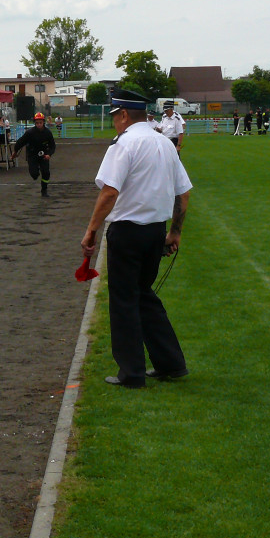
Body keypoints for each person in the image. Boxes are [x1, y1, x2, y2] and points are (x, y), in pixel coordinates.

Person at [80, 88, 193, 389]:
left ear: (124, 115)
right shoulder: (165, 144)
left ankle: (130, 373)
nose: (114, 122)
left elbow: (109, 192)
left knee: (124, 301)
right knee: (144, 295)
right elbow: (184, 193)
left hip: (128, 232)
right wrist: (175, 231)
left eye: (115, 116)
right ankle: (171, 363)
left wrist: (91, 230)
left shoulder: (124, 144)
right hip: (155, 231)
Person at [11, 112, 56, 196]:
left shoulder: (48, 133)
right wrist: (15, 151)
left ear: (43, 122)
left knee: (46, 173)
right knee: (34, 175)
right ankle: (36, 171)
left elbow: (52, 146)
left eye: (40, 123)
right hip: (32, 155)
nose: (39, 124)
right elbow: (20, 142)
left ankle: (44, 190)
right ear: (35, 123)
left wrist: (49, 154)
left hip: (44, 156)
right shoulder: (30, 133)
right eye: (37, 123)